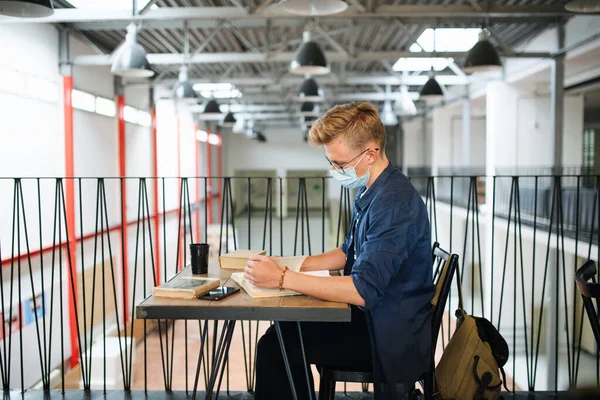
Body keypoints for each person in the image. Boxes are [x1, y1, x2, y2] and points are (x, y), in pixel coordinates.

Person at [245, 102, 434, 399]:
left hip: (387, 335)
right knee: (283, 331)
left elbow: (363, 290)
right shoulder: (374, 190)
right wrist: (291, 264)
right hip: (375, 320)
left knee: (276, 345)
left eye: (340, 164)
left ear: (370, 153)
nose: (335, 171)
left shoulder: (394, 203)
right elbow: (347, 252)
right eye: (331, 162)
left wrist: (281, 278)